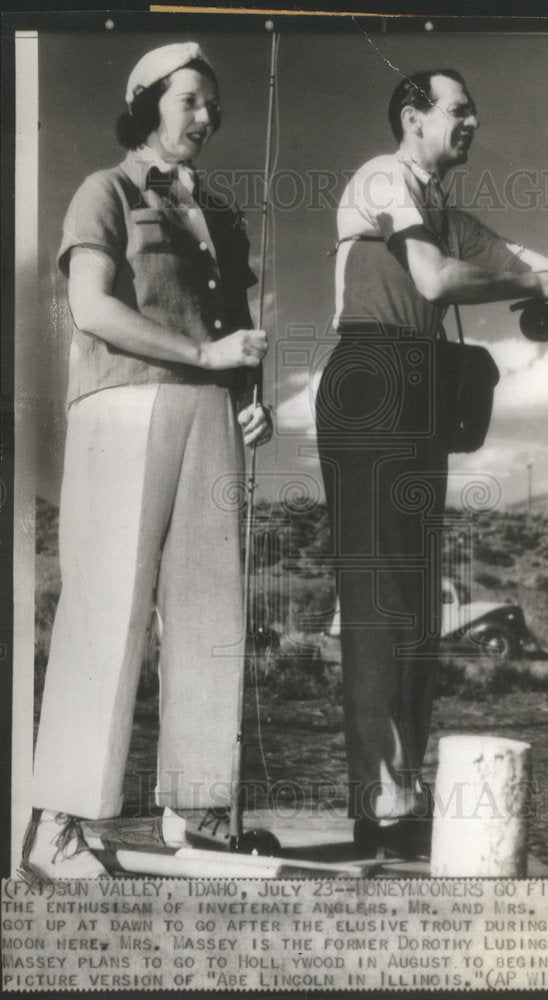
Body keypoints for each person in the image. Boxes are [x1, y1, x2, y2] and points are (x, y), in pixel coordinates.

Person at [316, 69, 548, 858]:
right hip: (373, 377)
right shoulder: (386, 178)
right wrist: (531, 278)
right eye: (459, 109)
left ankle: (400, 799)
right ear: (413, 118)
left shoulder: (451, 214)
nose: (474, 120)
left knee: (414, 601)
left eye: (475, 109)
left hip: (418, 387)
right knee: (380, 596)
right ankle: (375, 804)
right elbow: (435, 279)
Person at [22, 42, 272, 879]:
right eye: (190, 102)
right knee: (108, 613)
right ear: (148, 103)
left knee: (210, 621)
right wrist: (205, 360)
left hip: (210, 412)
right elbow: (91, 308)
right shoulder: (108, 191)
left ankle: (194, 818)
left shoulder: (224, 217)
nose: (207, 118)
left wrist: (246, 395)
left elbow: (233, 326)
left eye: (212, 105)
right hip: (122, 405)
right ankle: (58, 828)